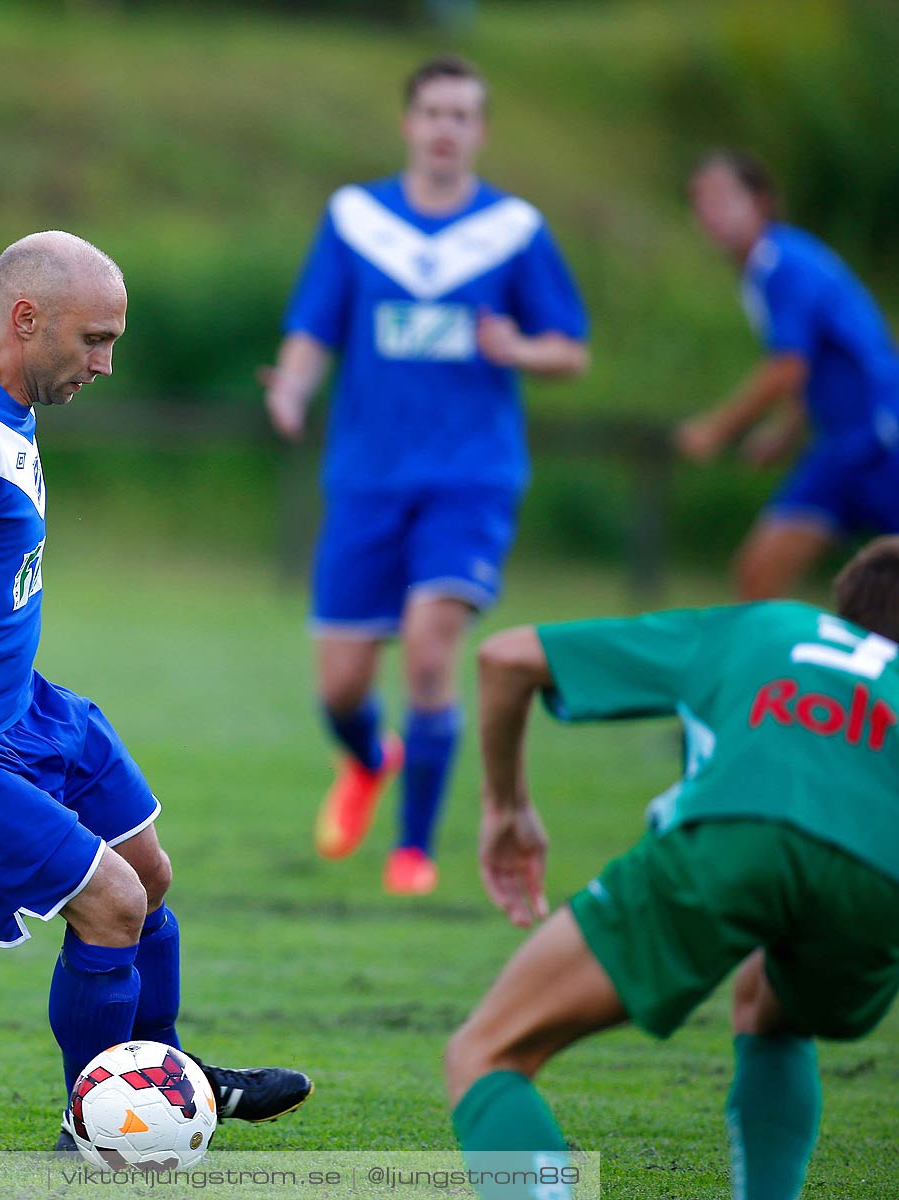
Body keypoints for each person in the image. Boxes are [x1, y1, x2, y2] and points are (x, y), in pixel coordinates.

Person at [0, 231, 313, 1145]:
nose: (107, 362)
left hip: (20, 703)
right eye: (93, 341)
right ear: (26, 319)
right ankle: (94, 1139)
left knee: (150, 877)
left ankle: (164, 1081)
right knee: (113, 901)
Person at [444, 536, 899, 1200]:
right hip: (881, 875)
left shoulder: (766, 623)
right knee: (773, 1008)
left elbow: (506, 655)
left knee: (486, 1053)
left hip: (738, 832)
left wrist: (506, 806)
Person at [262, 56, 589, 894]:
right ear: (409, 123)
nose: (447, 128)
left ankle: (414, 852)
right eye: (434, 112)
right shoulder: (357, 219)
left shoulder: (513, 230)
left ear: (481, 131)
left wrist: (519, 349)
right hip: (368, 477)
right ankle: (371, 759)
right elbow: (311, 329)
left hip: (470, 476)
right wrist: (294, 389)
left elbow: (571, 348)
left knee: (431, 646)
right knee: (340, 686)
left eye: (463, 115)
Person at [676, 151, 899, 599]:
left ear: (759, 200)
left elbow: (787, 366)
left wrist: (716, 428)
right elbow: (806, 362)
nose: (708, 212)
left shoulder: (781, 263)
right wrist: (788, 428)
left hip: (881, 438)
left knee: (763, 580)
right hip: (842, 446)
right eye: (699, 201)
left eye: (722, 197)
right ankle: (774, 671)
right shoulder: (766, 269)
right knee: (756, 577)